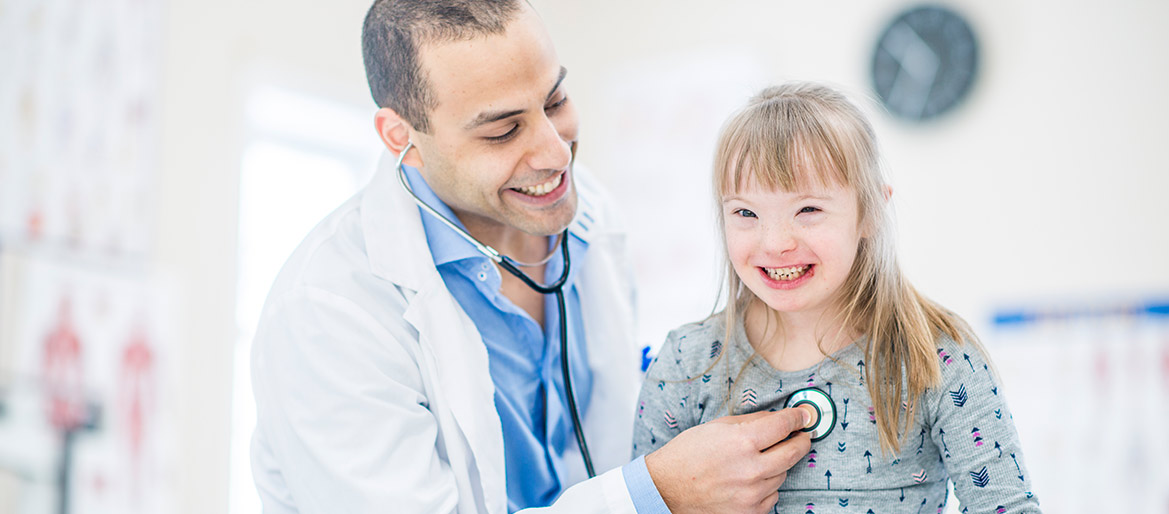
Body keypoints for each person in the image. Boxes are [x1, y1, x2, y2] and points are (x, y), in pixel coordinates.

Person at [249, 1, 814, 513]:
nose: (554, 150)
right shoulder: (327, 313)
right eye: (502, 130)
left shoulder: (588, 211)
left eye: (556, 101)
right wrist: (657, 494)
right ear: (401, 136)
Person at [632, 82, 1042, 513]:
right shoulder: (685, 363)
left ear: (870, 213)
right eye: (746, 213)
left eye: (808, 210)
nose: (774, 244)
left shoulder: (937, 356)